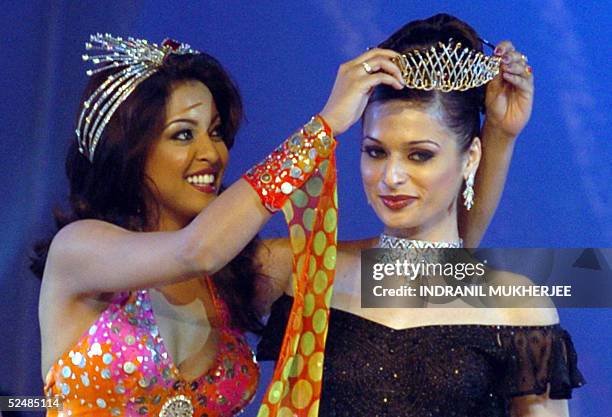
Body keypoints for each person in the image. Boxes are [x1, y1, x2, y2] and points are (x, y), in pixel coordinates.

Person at [31, 34, 405, 417]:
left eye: (215, 132)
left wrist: (466, 171)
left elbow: (422, 273)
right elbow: (197, 250)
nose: (211, 153)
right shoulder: (78, 251)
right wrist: (323, 127)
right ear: (129, 148)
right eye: (183, 134)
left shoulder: (237, 273)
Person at [257, 14, 585, 417]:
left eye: (420, 155)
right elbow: (195, 253)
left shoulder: (518, 309)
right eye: (375, 151)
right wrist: (323, 126)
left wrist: (501, 134)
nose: (391, 177)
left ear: (472, 157)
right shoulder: (304, 272)